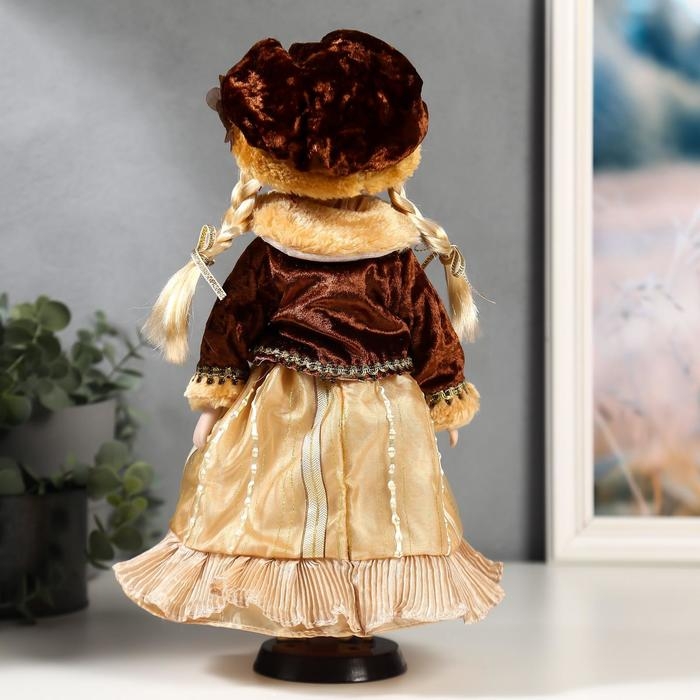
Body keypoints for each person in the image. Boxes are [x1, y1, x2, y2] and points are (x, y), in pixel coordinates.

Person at [113, 29, 504, 639]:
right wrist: (217, 396)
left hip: (324, 405)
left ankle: (346, 613)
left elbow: (423, 323)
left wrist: (443, 389)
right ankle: (310, 615)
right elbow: (237, 318)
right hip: (330, 404)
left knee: (358, 505)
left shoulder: (380, 255)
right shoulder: (282, 251)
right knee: (290, 501)